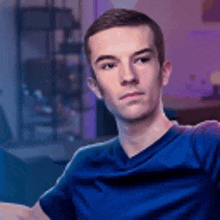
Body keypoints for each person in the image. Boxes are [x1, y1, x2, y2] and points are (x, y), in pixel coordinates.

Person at [1, 8, 220, 219]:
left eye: (141, 59)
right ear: (95, 87)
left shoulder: (205, 144)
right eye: (108, 65)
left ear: (164, 72)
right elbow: (31, 217)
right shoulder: (85, 164)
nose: (128, 76)